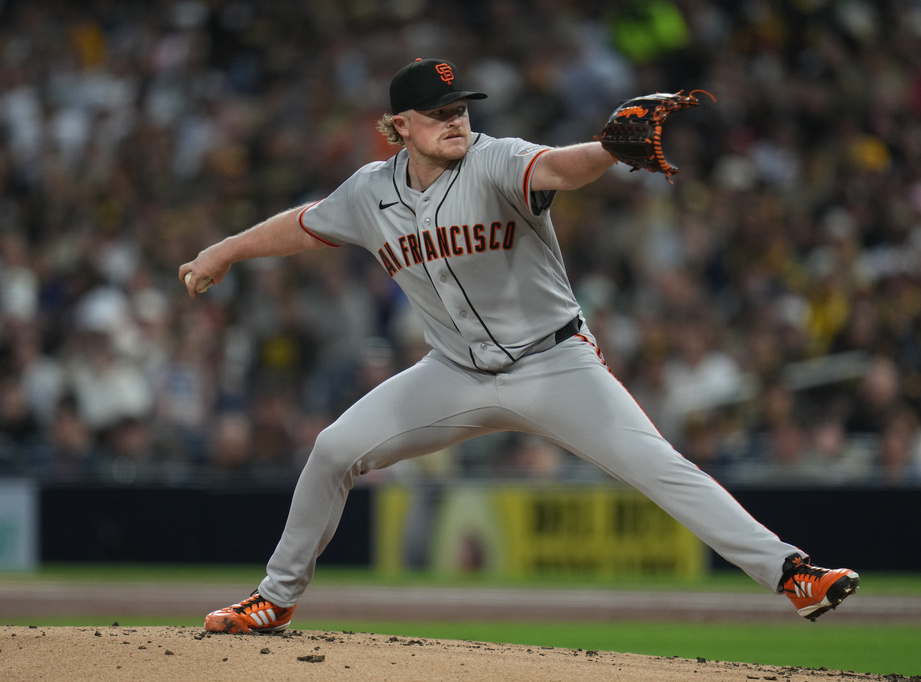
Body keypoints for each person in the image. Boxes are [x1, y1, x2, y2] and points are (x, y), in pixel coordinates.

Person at [184, 58, 859, 634]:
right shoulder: (370, 192)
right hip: (452, 373)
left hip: (553, 362)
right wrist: (224, 251)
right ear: (399, 128)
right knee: (333, 449)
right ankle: (275, 601)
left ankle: (792, 574)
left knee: (655, 464)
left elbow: (562, 168)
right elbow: (302, 226)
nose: (455, 119)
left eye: (461, 107)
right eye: (437, 111)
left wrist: (607, 148)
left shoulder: (497, 161)